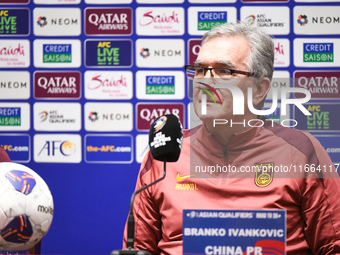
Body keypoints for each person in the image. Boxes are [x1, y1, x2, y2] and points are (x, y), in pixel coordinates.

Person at [123, 22, 340, 254]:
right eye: (199, 70)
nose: (205, 81)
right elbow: (138, 249)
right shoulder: (166, 156)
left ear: (259, 90)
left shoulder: (301, 151)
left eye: (224, 71)